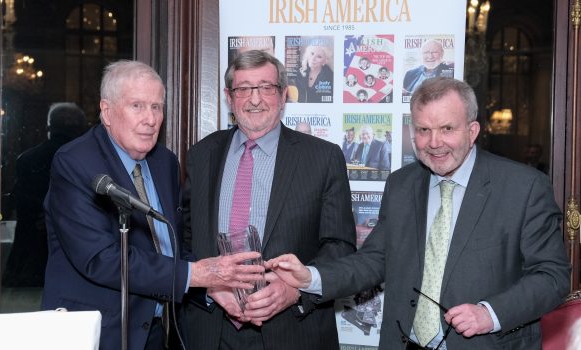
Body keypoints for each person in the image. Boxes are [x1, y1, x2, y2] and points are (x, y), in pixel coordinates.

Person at [267, 77, 570, 349]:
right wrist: (311, 277)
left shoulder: (524, 187)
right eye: (423, 130)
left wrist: (489, 314)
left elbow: (552, 277)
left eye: (447, 129)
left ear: (472, 130)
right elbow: (374, 260)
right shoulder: (401, 184)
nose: (434, 143)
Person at [41, 60, 264, 350]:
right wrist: (196, 275)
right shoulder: (75, 163)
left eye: (156, 107)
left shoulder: (165, 162)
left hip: (159, 331)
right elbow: (101, 259)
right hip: (102, 332)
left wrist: (208, 286)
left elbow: (169, 244)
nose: (150, 119)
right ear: (107, 112)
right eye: (137, 106)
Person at [181, 50, 356, 350]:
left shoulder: (323, 158)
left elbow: (339, 246)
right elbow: (183, 240)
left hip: (294, 331)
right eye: (244, 88)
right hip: (211, 331)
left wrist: (296, 289)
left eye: (266, 87)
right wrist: (208, 286)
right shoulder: (202, 155)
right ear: (229, 96)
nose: (255, 99)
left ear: (283, 95)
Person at [3, 102, 86, 287]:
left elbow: (22, 203)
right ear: (81, 129)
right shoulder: (90, 160)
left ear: (49, 128)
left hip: (29, 254)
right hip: (77, 253)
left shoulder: (26, 159)